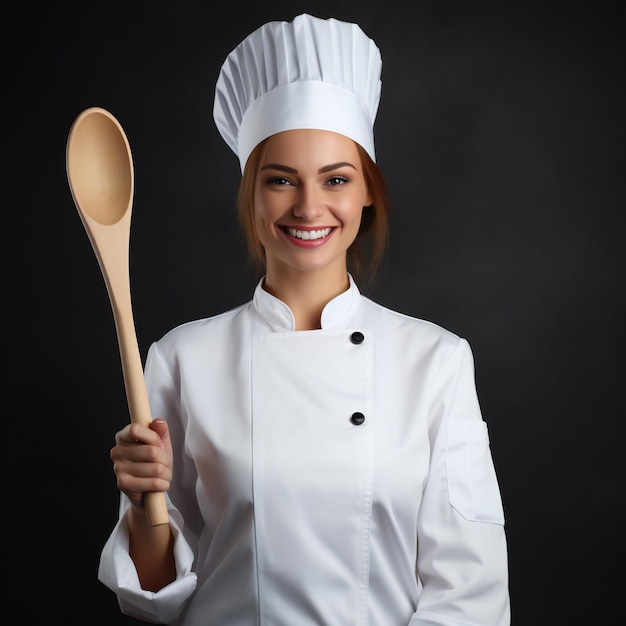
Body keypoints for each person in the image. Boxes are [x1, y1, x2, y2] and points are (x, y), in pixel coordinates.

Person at [98, 13, 511, 625]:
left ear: (366, 192)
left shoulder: (437, 362)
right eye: (281, 180)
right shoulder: (182, 359)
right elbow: (156, 600)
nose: (309, 207)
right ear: (252, 194)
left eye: (336, 179)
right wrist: (142, 506)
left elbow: (470, 592)